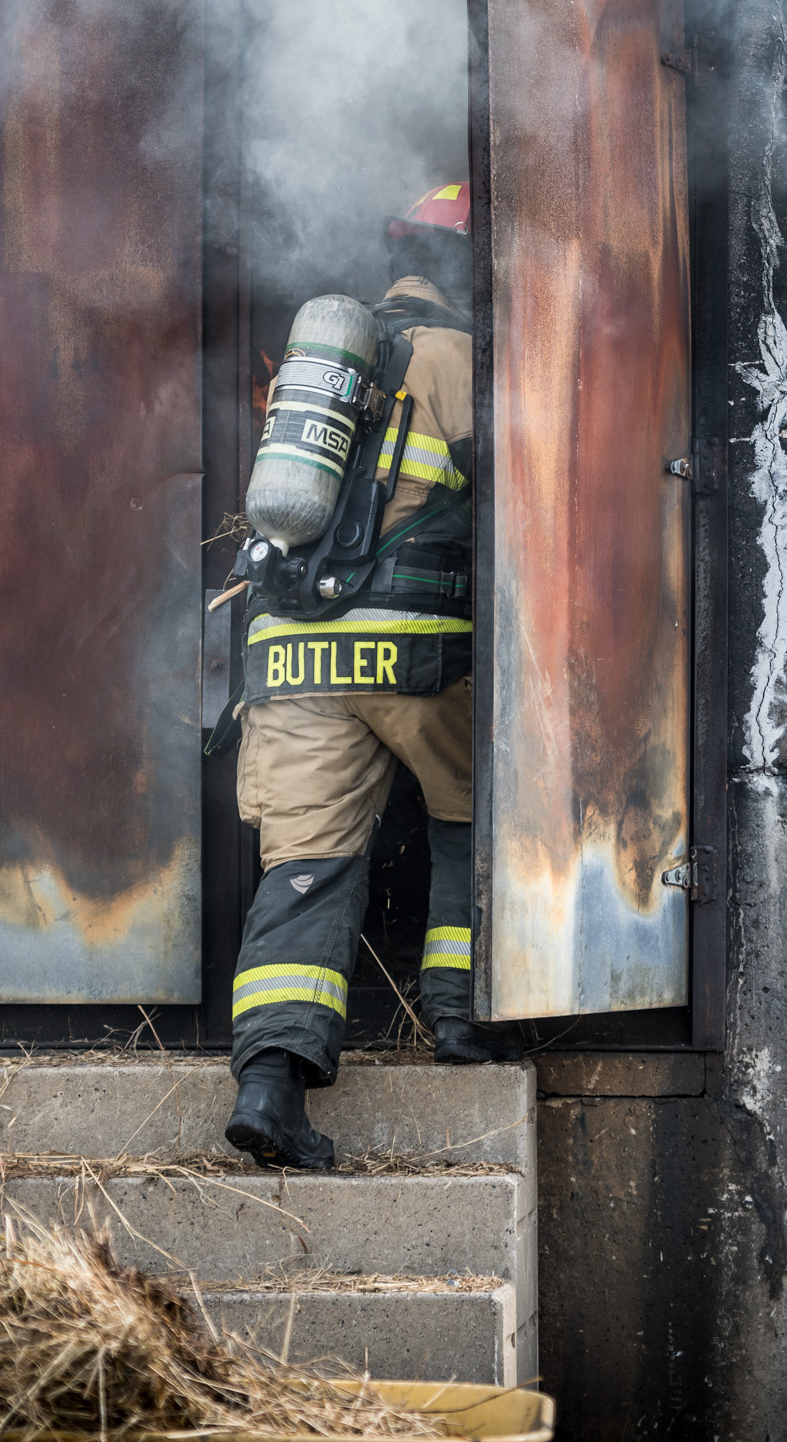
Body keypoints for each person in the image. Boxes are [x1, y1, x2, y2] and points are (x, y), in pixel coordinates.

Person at [224, 182, 522, 1173]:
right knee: (472, 816)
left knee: (304, 863)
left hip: (288, 656)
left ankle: (271, 1082)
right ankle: (460, 1016)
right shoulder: (461, 358)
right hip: (415, 650)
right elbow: (513, 506)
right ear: (471, 267)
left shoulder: (313, 375)